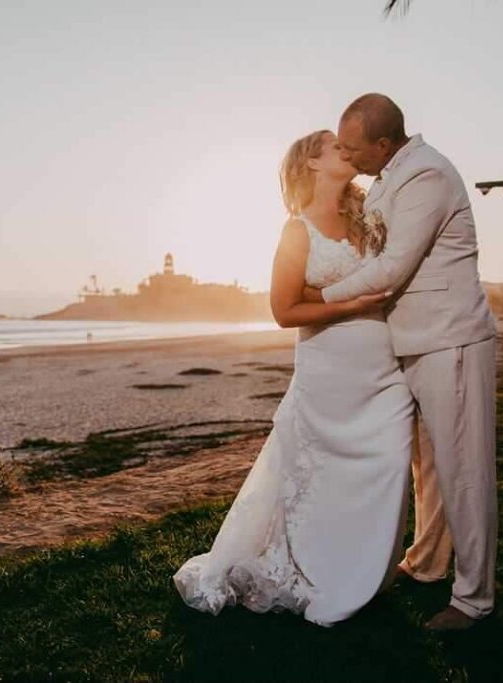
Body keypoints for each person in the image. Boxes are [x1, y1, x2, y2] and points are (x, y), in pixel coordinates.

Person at [172, 129, 416, 626]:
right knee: (319, 475)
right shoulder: (296, 230)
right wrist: (354, 302)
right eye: (334, 145)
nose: (346, 149)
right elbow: (284, 310)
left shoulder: (370, 218)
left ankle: (363, 569)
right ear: (311, 162)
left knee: (389, 462)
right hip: (327, 371)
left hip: (384, 367)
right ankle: (320, 566)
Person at [307, 93, 498, 631]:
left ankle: (474, 600)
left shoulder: (428, 176)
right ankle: (429, 562)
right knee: (430, 468)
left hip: (449, 341)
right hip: (412, 343)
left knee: (464, 472)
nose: (347, 155)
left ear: (384, 144)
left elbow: (392, 268)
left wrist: (318, 297)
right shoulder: (390, 177)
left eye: (353, 147)